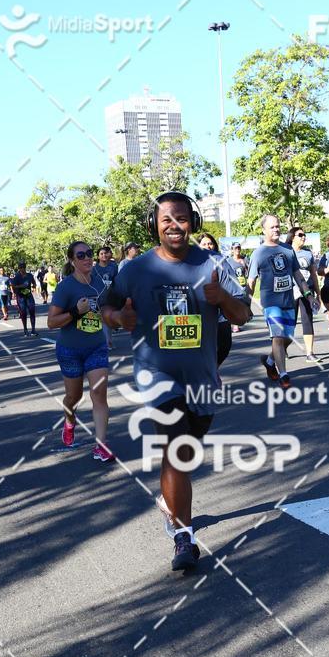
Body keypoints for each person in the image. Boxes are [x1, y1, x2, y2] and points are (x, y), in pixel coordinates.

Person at [101, 191, 251, 572]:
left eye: (181, 218)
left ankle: (169, 498)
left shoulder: (214, 264)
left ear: (193, 223)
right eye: (166, 218)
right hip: (156, 374)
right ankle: (183, 537)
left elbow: (244, 314)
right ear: (154, 225)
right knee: (178, 448)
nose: (174, 225)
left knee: (187, 452)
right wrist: (120, 319)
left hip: (202, 376)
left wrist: (221, 298)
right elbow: (105, 306)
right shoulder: (134, 270)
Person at [48, 241, 113, 462]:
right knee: (73, 397)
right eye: (81, 255)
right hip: (70, 350)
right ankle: (69, 420)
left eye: (89, 254)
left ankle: (101, 445)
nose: (87, 258)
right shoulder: (66, 287)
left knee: (99, 394)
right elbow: (51, 322)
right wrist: (76, 312)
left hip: (96, 346)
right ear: (72, 260)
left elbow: (107, 308)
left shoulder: (100, 284)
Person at [247, 214, 314, 388]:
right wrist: (245, 304)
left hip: (288, 301)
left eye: (277, 226)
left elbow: (297, 275)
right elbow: (251, 281)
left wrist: (308, 294)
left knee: (288, 337)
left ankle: (270, 361)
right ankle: (283, 374)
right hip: (270, 303)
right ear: (264, 230)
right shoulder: (258, 253)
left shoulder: (287, 249)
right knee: (278, 335)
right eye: (272, 227)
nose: (276, 229)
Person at [284, 227, 320, 361]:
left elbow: (313, 274)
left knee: (307, 320)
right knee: (290, 323)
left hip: (307, 291)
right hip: (290, 292)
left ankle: (310, 353)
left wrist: (318, 293)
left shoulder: (308, 253)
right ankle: (283, 348)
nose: (303, 237)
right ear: (292, 237)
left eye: (305, 235)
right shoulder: (286, 252)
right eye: (300, 235)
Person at [197, 232, 233, 366]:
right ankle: (207, 372)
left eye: (210, 243)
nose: (208, 246)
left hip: (221, 315)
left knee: (224, 347)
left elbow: (232, 287)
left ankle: (212, 369)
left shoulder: (222, 262)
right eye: (204, 244)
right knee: (203, 349)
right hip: (200, 316)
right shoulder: (192, 264)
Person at [95, 247, 117, 350]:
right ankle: (107, 342)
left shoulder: (113, 266)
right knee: (102, 319)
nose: (104, 255)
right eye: (101, 254)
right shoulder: (94, 269)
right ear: (98, 256)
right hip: (98, 297)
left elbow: (116, 280)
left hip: (111, 296)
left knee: (108, 320)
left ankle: (108, 340)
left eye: (105, 253)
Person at [11, 261, 38, 337]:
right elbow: (13, 286)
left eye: (23, 267)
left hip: (29, 296)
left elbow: (34, 282)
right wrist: (21, 286)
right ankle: (25, 330)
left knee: (32, 311)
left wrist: (34, 287)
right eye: (20, 268)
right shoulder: (17, 277)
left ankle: (33, 330)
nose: (22, 269)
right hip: (20, 297)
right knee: (23, 313)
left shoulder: (29, 275)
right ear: (19, 269)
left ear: (25, 268)